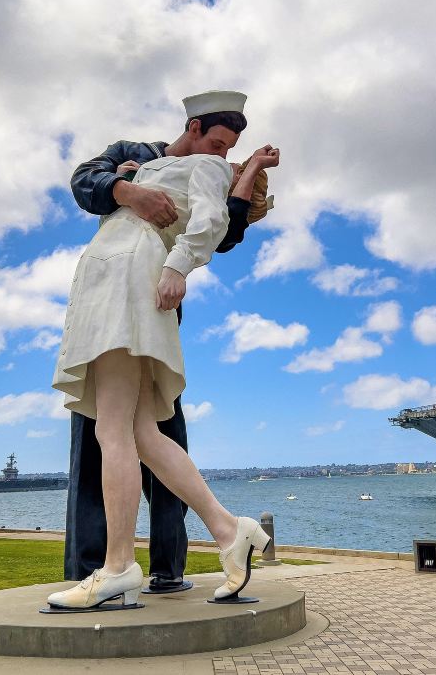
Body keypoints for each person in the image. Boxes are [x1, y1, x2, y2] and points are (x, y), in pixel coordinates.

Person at [49, 91, 280, 609]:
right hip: (119, 273)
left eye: (231, 150)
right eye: (218, 143)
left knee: (113, 429)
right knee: (141, 433)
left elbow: (217, 224)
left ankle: (116, 566)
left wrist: (177, 266)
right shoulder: (143, 159)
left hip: (127, 273)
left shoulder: (206, 166)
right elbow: (86, 180)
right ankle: (229, 529)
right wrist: (129, 182)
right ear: (194, 127)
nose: (223, 155)